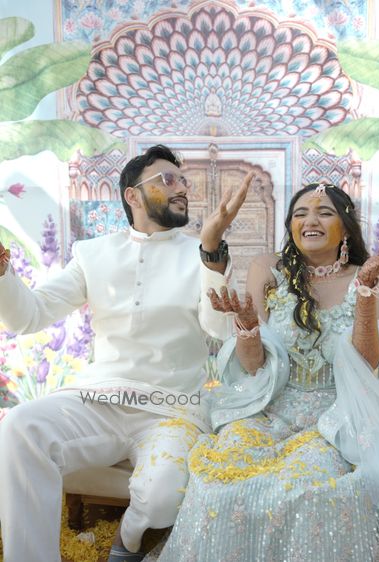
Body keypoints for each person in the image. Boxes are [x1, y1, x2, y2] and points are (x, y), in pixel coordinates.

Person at [158, 183, 379, 562]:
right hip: (271, 410)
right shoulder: (268, 270)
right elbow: (253, 366)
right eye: (300, 214)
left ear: (345, 229)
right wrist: (248, 327)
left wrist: (365, 289)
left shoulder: (372, 273)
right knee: (218, 481)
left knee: (310, 490)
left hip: (342, 416)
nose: (311, 221)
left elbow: (368, 365)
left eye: (325, 213)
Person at [0, 144, 254, 562]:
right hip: (97, 400)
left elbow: (220, 329)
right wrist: (1, 272)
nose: (181, 188)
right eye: (167, 179)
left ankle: (127, 539)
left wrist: (211, 249)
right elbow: (29, 316)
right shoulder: (93, 253)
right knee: (20, 426)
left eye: (183, 181)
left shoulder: (201, 255)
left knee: (161, 496)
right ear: (132, 195)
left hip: (172, 409)